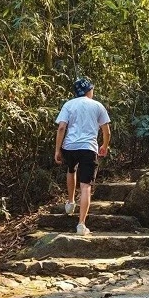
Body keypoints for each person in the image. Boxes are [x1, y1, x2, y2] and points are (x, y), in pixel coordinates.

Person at [54, 77, 111, 236]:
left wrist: (57, 150)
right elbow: (106, 131)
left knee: (71, 170)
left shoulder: (68, 104)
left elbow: (61, 128)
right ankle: (81, 225)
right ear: (89, 90)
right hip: (88, 148)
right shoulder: (97, 105)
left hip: (70, 146)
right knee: (86, 186)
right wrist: (104, 146)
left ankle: (70, 202)